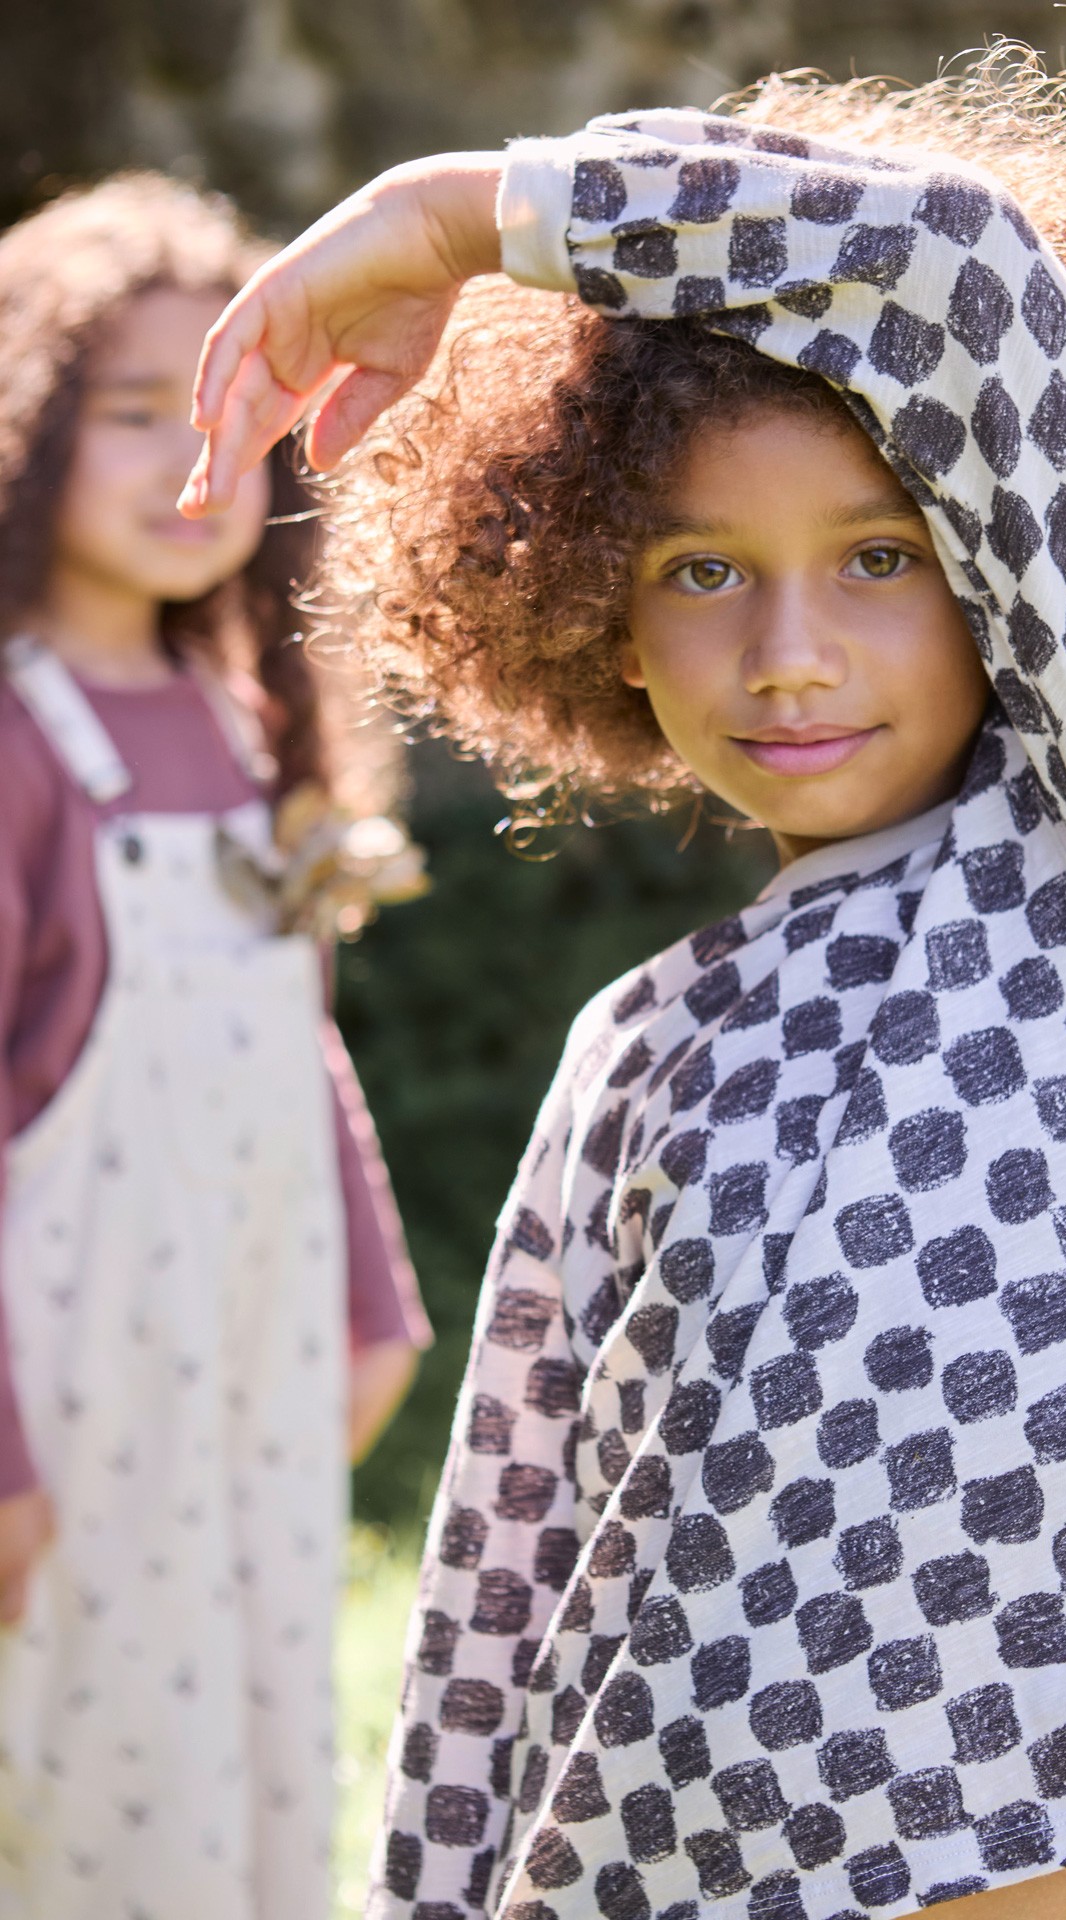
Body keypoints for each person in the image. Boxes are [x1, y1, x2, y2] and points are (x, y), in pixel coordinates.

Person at [182, 47, 1066, 1920]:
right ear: (600, 620)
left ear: (1009, 573)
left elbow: (958, 281)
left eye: (881, 560)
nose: (791, 655)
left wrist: (467, 219)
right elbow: (504, 1586)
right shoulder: (635, 1049)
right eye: (705, 571)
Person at [0, 176, 430, 1918]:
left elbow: (291, 1042)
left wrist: (371, 1296)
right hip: (68, 1388)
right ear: (22, 433)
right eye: (130, 419)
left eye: (231, 424)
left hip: (237, 1364)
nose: (194, 470)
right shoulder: (20, 744)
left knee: (242, 1741)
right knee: (86, 1777)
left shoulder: (241, 722)